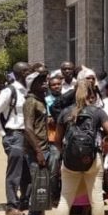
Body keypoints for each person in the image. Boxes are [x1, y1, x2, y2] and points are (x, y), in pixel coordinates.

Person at [50, 78, 108, 215]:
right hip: (93, 159)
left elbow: (57, 140)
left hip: (69, 162)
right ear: (91, 94)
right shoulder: (98, 112)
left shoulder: (65, 113)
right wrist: (105, 143)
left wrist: (66, 153)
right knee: (96, 198)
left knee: (65, 199)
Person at [0, 62, 32, 215]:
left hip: (29, 136)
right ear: (21, 73)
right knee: (15, 172)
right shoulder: (9, 91)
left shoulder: (28, 91)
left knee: (27, 170)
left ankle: (25, 200)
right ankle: (11, 205)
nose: (31, 73)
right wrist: (3, 134)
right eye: (28, 71)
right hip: (15, 135)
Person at [23, 71, 51, 215]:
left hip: (44, 147)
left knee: (43, 183)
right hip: (36, 150)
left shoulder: (41, 100)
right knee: (37, 184)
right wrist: (38, 151)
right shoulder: (30, 101)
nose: (45, 83)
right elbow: (28, 128)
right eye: (40, 81)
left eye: (45, 80)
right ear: (32, 85)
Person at [45, 72, 63, 207]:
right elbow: (48, 120)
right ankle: (53, 196)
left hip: (67, 138)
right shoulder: (46, 100)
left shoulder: (66, 98)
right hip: (53, 138)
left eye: (58, 84)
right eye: (53, 85)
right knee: (54, 168)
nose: (56, 86)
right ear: (50, 87)